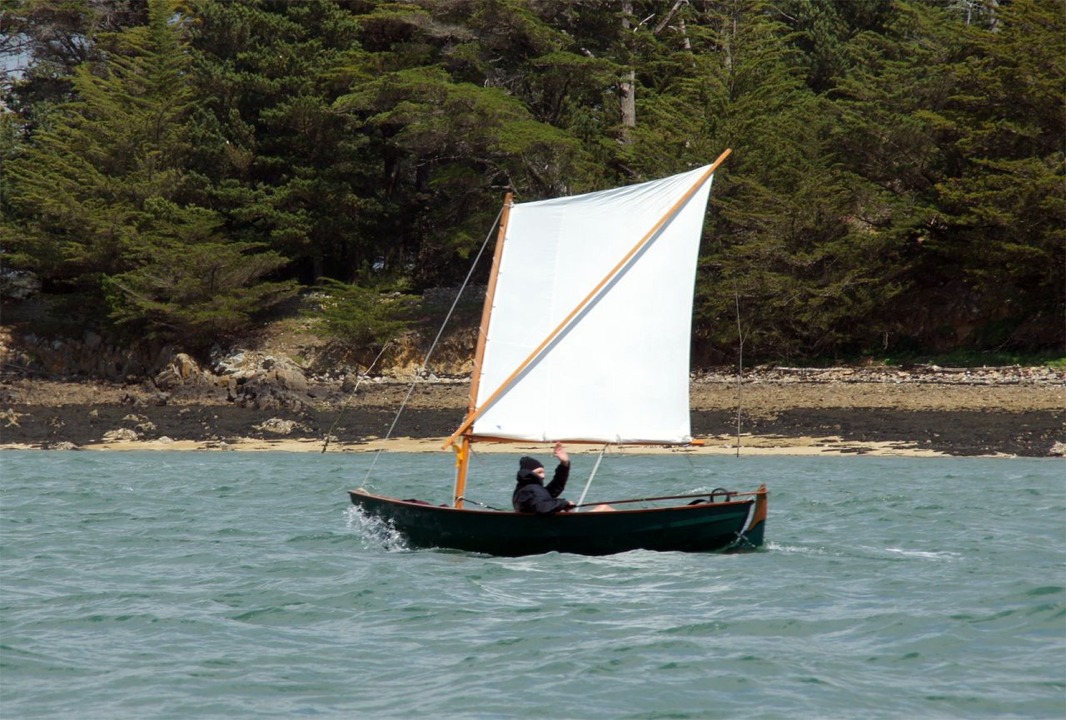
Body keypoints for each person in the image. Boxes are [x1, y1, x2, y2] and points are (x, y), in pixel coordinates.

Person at [512, 442, 575, 514]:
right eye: (539, 472)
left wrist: (564, 464)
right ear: (529, 473)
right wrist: (564, 503)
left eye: (543, 472)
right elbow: (542, 507)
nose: (543, 476)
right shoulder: (531, 489)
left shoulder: (524, 488)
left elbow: (555, 488)